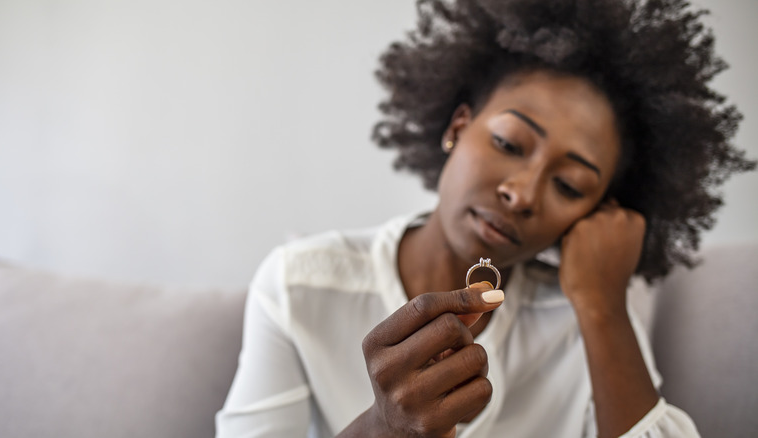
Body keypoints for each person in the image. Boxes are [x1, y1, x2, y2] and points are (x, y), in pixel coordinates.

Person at [216, 0, 755, 437]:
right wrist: (383, 429)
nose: (522, 194)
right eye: (509, 143)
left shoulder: (588, 312)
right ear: (458, 127)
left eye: (570, 185)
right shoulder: (300, 286)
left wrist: (602, 307)